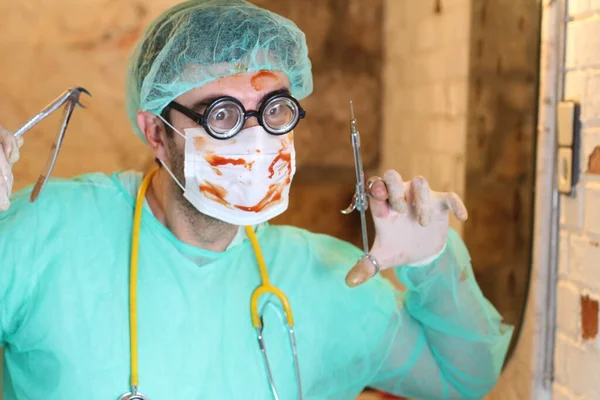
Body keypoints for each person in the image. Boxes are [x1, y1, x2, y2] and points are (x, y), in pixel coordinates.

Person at [0, 0, 513, 399]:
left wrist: (433, 263)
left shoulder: (324, 282)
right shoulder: (46, 234)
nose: (256, 140)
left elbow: (465, 378)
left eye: (274, 110)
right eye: (221, 115)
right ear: (156, 132)